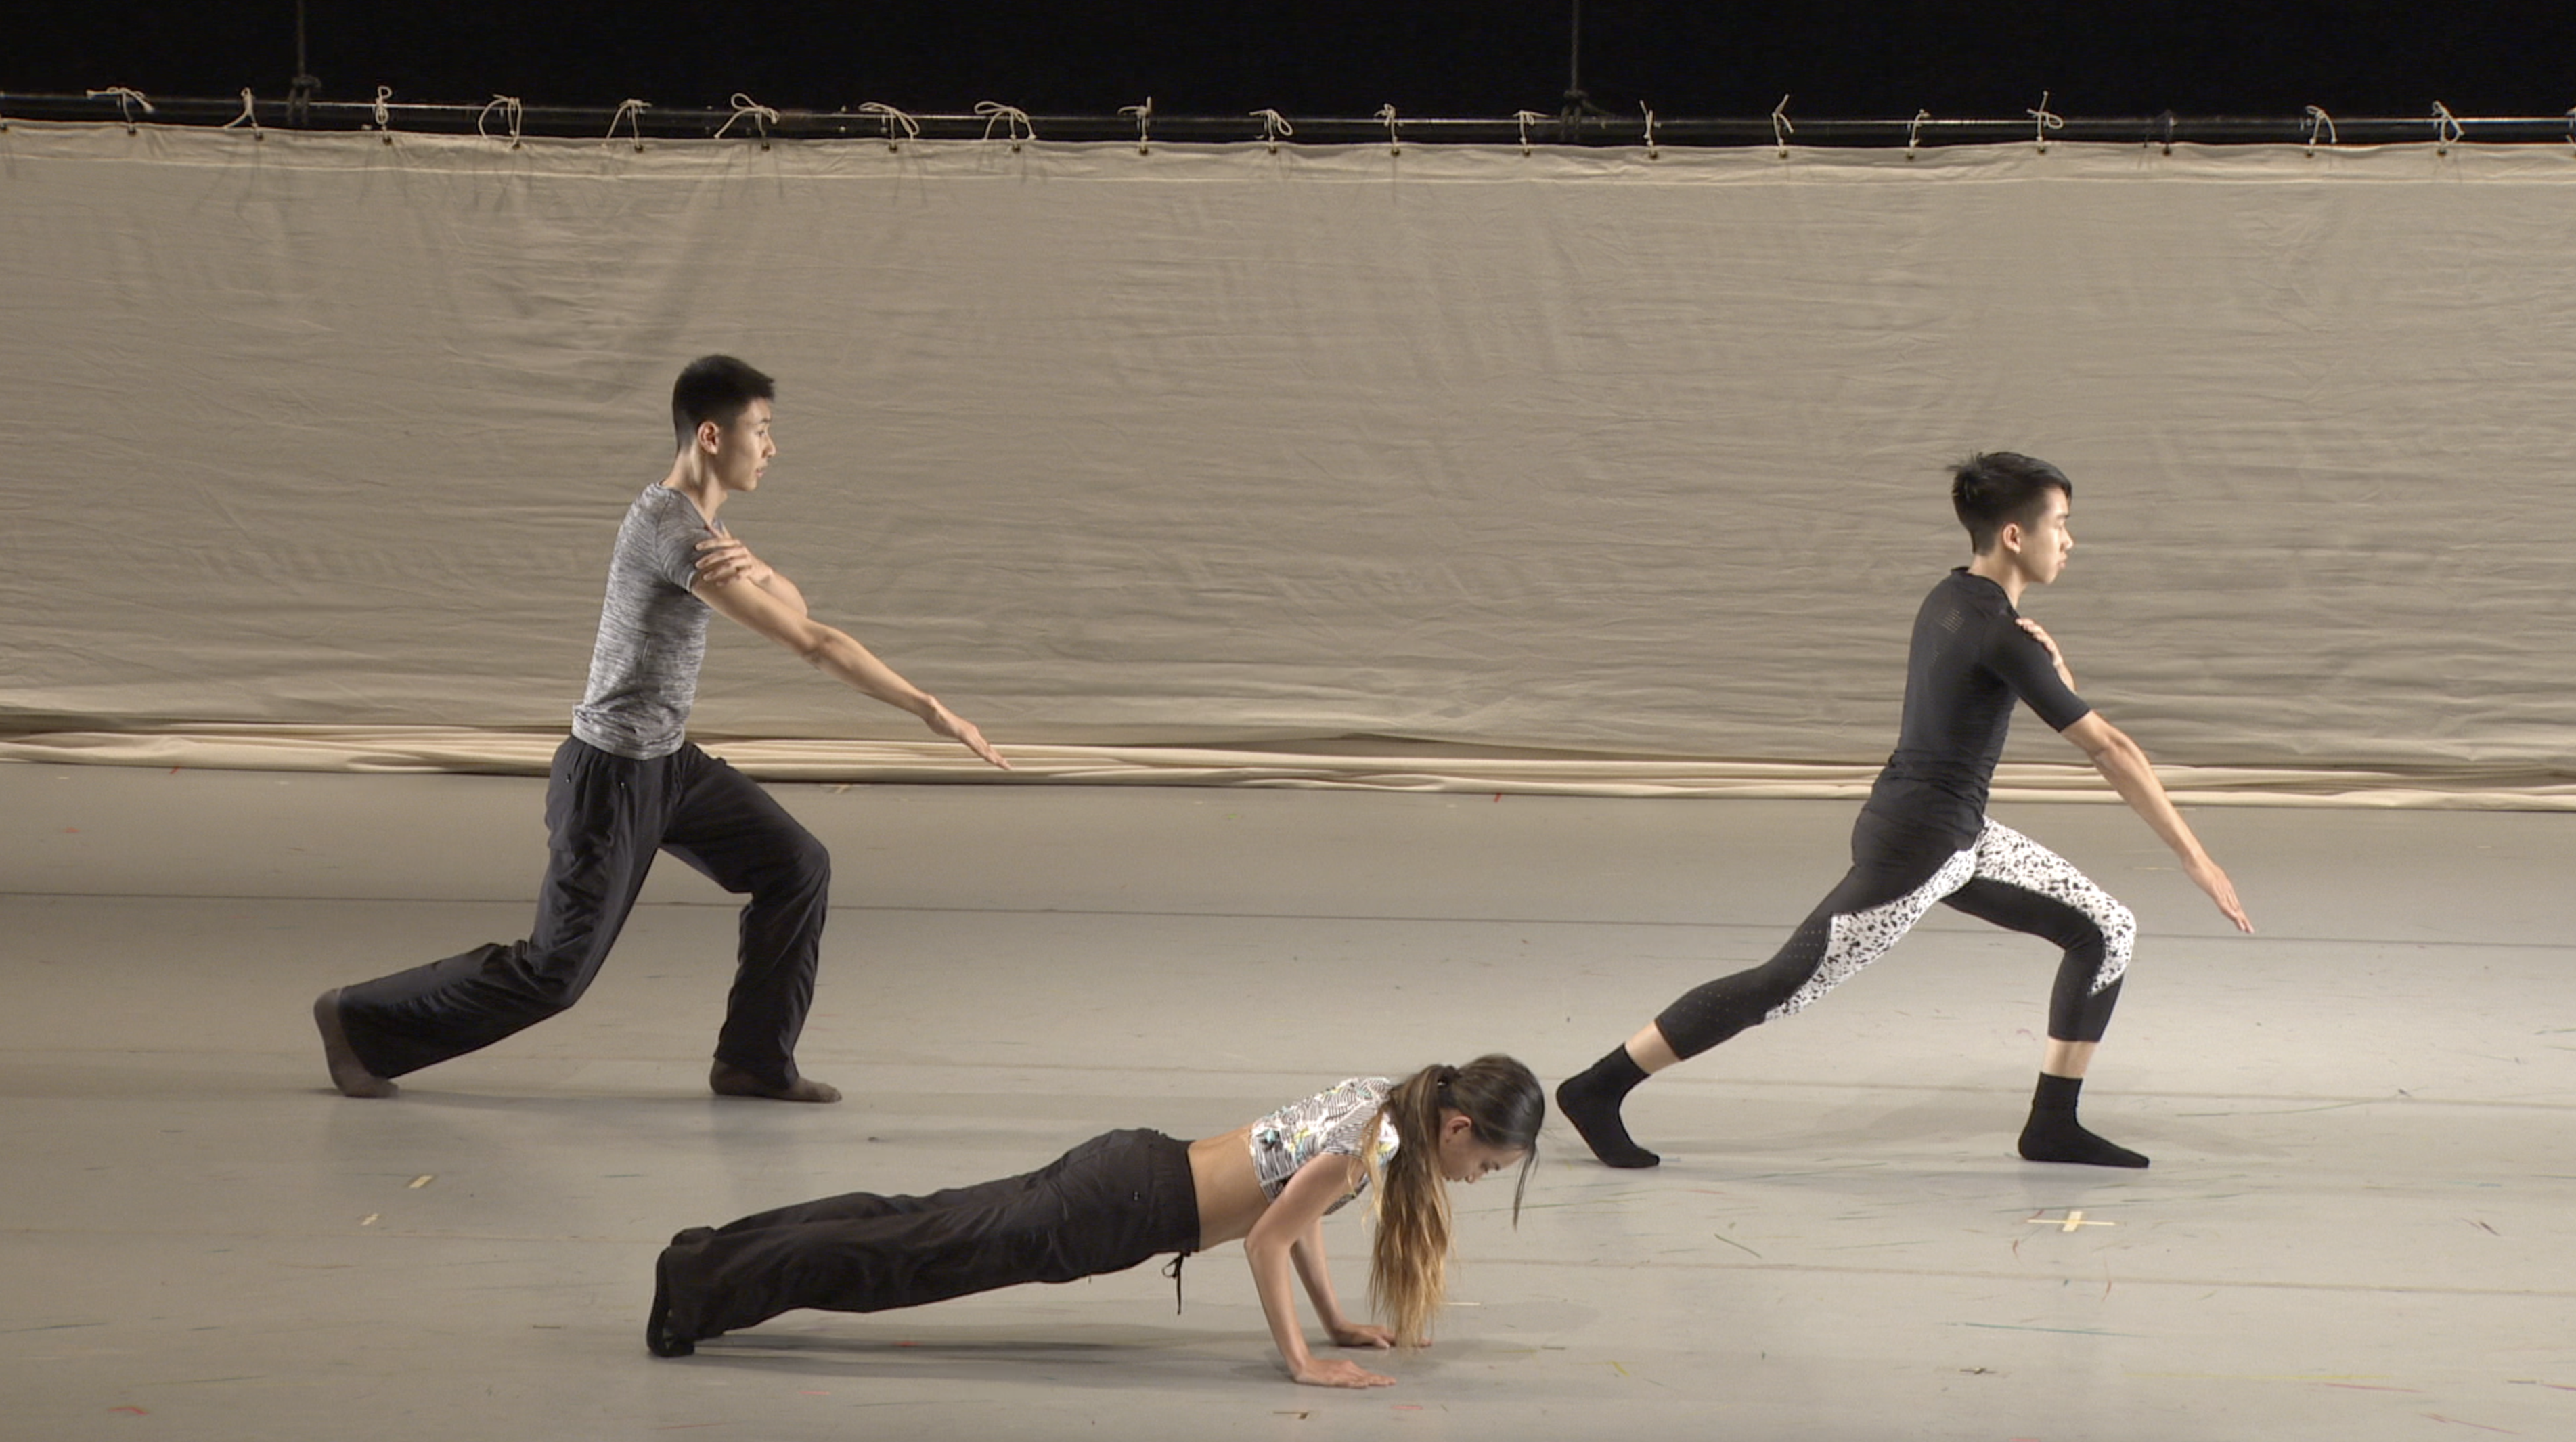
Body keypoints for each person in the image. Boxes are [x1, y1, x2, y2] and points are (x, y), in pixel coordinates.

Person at [313, 355, 1008, 1102]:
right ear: (712, 435)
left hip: (670, 766)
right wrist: (929, 709)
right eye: (761, 431)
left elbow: (794, 609)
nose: (771, 448)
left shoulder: (702, 527)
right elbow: (813, 644)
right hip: (610, 778)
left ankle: (753, 1061)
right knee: (555, 973)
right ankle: (358, 1019)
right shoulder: (673, 533)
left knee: (796, 866)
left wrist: (761, 569)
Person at [1557, 452, 2252, 1172]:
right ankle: (1596, 1088)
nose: (2069, 541)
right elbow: (2110, 748)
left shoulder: (1953, 598)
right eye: (2061, 525)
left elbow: (2028, 687)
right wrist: (2193, 858)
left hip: (1955, 834)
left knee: (2105, 931)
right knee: (1780, 985)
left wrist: (2048, 665)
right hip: (1919, 849)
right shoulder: (2002, 635)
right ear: (2014, 535)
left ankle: (2052, 1125)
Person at [645, 1055, 1544, 1389]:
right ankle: (696, 1288)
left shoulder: (1379, 1102)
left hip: (1127, 1168)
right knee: (912, 1255)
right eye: (1486, 1164)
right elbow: (1270, 1236)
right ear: (1458, 1127)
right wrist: (1302, 1359)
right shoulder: (1372, 1144)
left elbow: (1289, 1210)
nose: (1473, 1178)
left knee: (914, 1221)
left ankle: (707, 1257)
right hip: (1120, 1206)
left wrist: (1337, 1318)